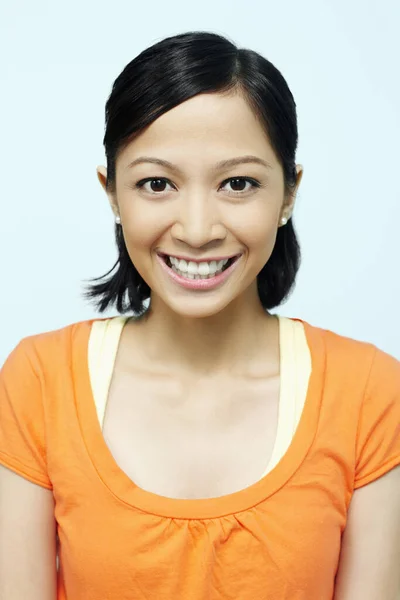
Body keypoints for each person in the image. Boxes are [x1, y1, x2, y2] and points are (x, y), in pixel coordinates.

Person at [0, 30, 399, 600]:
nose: (196, 228)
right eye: (156, 183)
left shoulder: (370, 394)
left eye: (239, 183)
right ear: (112, 193)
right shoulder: (38, 380)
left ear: (289, 193)